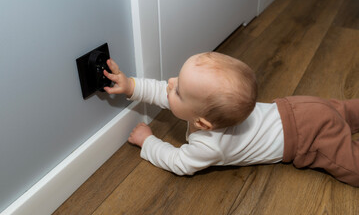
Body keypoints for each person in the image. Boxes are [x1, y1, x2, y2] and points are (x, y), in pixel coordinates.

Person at [103, 52, 359, 187]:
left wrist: (147, 142)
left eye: (178, 89)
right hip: (300, 106)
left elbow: (178, 161)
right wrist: (131, 86)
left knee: (352, 166)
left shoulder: (209, 146)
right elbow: (163, 93)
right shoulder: (202, 112)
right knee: (346, 111)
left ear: (202, 124)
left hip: (308, 137)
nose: (170, 83)